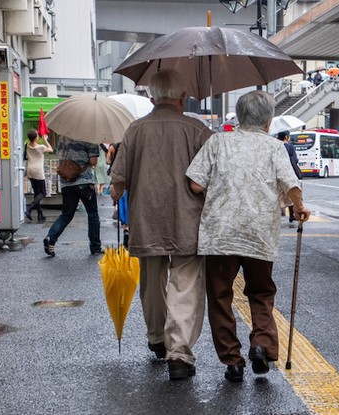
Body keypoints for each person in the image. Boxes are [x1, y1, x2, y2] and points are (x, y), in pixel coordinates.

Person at [186, 90, 310, 383]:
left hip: (220, 233)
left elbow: (194, 185)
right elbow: (290, 183)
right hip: (259, 233)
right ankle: (261, 345)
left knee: (219, 297)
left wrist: (220, 191)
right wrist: (300, 207)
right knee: (261, 292)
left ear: (239, 117)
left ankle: (233, 360)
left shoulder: (217, 142)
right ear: (268, 121)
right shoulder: (274, 148)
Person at [109, 69, 214, 381]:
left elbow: (118, 181)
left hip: (147, 218)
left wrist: (119, 191)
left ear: (152, 98)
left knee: (152, 282)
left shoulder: (135, 130)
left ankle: (157, 338)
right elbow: (212, 176)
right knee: (186, 285)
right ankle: (179, 353)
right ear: (183, 97)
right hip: (188, 221)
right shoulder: (198, 129)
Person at [43, 136, 103, 256]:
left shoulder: (62, 138)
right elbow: (93, 162)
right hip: (84, 182)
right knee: (92, 214)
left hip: (67, 182)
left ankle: (51, 237)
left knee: (66, 215)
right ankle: (95, 246)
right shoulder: (89, 137)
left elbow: (61, 156)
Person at [24, 129, 53, 221]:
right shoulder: (40, 147)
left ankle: (40, 214)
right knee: (43, 193)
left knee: (37, 193)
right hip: (38, 171)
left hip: (30, 170)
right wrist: (45, 140)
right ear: (36, 137)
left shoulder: (27, 145)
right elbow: (51, 150)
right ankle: (29, 208)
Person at [278, 130, 302, 224]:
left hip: (276, 174)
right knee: (290, 193)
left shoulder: (274, 146)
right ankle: (291, 215)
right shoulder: (290, 147)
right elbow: (295, 160)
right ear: (286, 137)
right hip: (288, 173)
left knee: (277, 194)